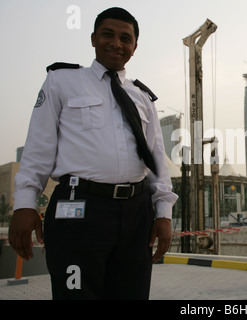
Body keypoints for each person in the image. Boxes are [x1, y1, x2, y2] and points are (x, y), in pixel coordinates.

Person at [8, 7, 178, 299]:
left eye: (126, 38)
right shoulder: (62, 81)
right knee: (76, 293)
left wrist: (163, 213)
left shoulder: (142, 96)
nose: (117, 43)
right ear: (93, 38)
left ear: (134, 47)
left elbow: (156, 161)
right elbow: (39, 147)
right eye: (108, 34)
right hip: (79, 209)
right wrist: (24, 204)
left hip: (137, 213)